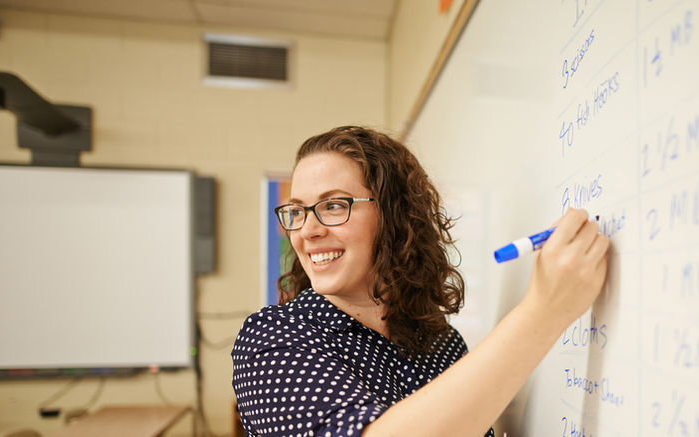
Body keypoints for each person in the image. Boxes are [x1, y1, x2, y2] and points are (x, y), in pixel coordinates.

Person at [232, 126, 609, 437]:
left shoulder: (440, 343)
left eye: (334, 205)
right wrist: (544, 311)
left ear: (395, 217)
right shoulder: (272, 338)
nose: (307, 231)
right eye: (297, 211)